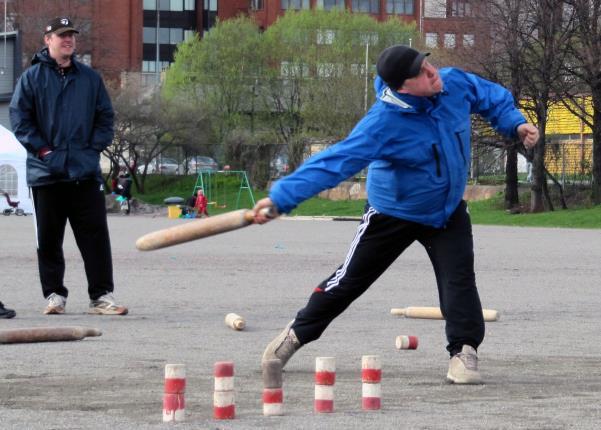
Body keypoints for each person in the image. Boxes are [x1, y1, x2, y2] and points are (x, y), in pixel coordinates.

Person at [253, 45, 539, 384]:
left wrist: (515, 124)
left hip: (446, 211)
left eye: (427, 63)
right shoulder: (382, 123)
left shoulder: (452, 83)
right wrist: (282, 198)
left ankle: (463, 352)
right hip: (393, 213)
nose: (432, 72)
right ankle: (295, 336)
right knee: (349, 281)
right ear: (403, 86)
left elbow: (489, 96)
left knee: (458, 279)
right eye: (420, 72)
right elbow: (334, 162)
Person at [9, 17, 128, 316]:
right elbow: (20, 120)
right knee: (49, 240)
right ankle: (54, 296)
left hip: (84, 172)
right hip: (46, 173)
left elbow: (105, 118)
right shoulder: (31, 78)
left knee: (96, 238)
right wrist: (45, 151)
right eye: (62, 36)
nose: (68, 40)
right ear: (47, 40)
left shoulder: (90, 78)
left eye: (71, 36)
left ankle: (101, 296)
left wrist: (92, 149)